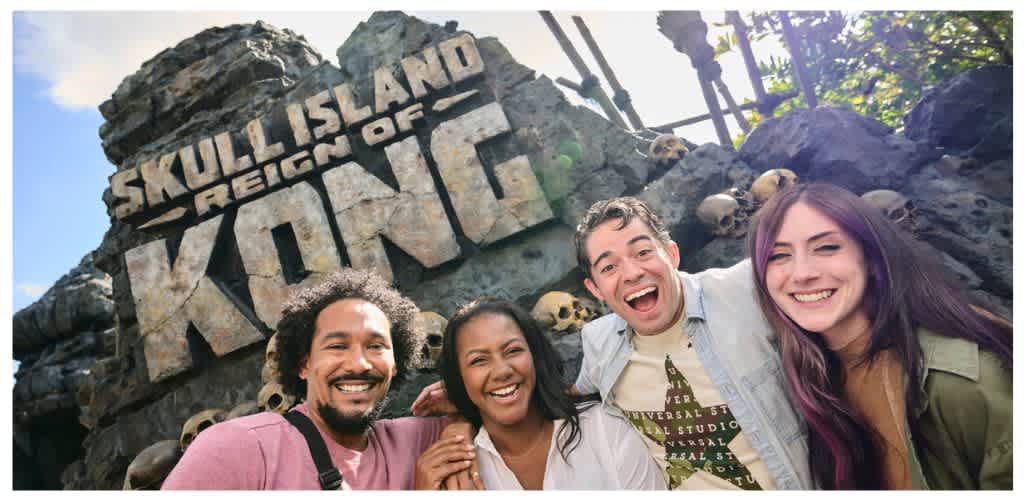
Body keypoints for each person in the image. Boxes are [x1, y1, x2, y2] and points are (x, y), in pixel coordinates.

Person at [416, 197, 813, 490]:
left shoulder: (747, 291)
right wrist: (464, 418)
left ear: (671, 253)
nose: (632, 273)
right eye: (609, 267)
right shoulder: (601, 343)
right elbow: (548, 397)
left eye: (642, 251)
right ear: (595, 289)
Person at [747, 182, 1012, 490]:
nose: (802, 273)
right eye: (779, 256)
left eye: (827, 247)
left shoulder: (966, 381)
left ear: (871, 257)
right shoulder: (806, 378)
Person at [163, 268, 481, 490]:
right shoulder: (238, 449)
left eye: (375, 346)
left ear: (395, 364)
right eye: (337, 346)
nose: (358, 362)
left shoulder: (423, 439)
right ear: (303, 364)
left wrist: (466, 408)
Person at [416, 297, 664, 490]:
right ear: (459, 377)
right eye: (479, 360)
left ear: (535, 355)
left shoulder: (605, 429)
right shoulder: (459, 474)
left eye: (513, 351)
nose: (502, 371)